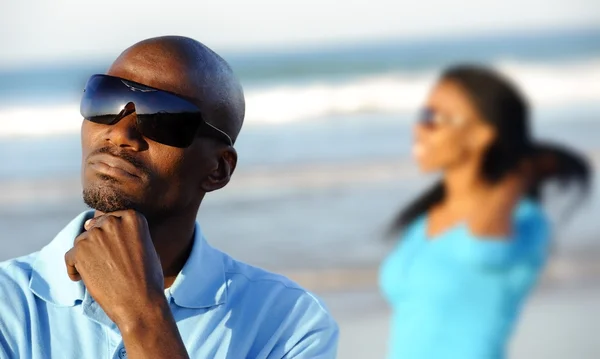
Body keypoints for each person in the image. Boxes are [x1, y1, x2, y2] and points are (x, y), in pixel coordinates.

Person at [0, 36, 338, 359]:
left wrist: (143, 317)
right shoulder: (8, 302)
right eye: (105, 99)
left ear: (218, 168)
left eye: (162, 118)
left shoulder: (289, 324)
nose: (119, 133)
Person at [379, 64, 591, 359]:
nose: (418, 128)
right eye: (421, 115)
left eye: (432, 118)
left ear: (480, 135)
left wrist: (521, 172)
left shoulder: (524, 220)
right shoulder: (423, 220)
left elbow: (483, 247)